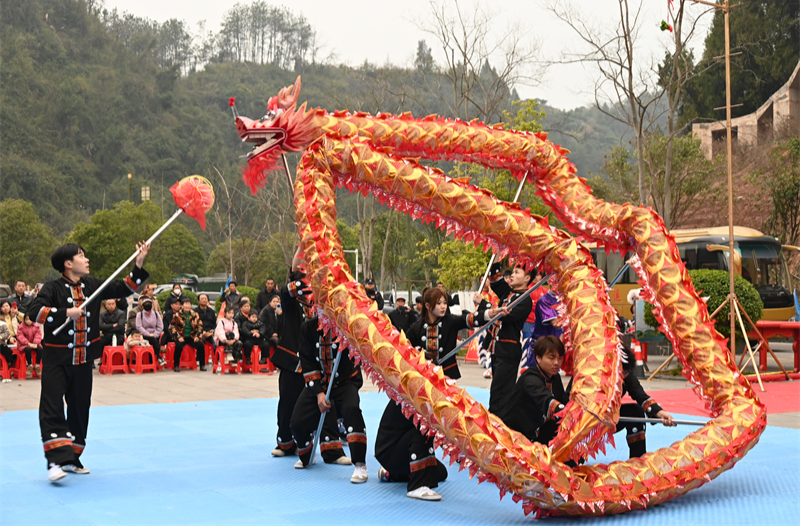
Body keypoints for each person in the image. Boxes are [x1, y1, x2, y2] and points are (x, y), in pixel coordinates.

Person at [30, 241, 149, 482]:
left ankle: (72, 458)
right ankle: (55, 461)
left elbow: (124, 288)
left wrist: (139, 262)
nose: (86, 260)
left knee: (79, 408)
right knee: (52, 408)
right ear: (68, 263)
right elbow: (34, 312)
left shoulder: (93, 285)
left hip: (83, 361)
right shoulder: (53, 288)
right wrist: (65, 313)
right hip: (56, 361)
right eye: (81, 256)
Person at [375, 287, 484, 501]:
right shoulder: (415, 330)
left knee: (441, 472)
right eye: (439, 302)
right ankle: (416, 484)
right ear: (427, 306)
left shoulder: (451, 322)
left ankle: (394, 473)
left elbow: (472, 319)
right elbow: (402, 348)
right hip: (418, 400)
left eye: (445, 302)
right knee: (425, 425)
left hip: (443, 385)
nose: (444, 306)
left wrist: (492, 312)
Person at [290, 315, 367, 482]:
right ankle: (307, 451)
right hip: (319, 382)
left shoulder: (347, 326)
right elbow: (308, 362)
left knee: (351, 410)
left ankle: (360, 464)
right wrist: (318, 393)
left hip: (344, 381)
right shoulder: (308, 328)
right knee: (297, 423)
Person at [482, 263, 534, 420]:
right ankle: (495, 423)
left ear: (527, 278)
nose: (512, 275)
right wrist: (496, 256)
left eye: (517, 272)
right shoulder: (508, 292)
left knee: (501, 395)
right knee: (496, 392)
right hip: (498, 349)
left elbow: (505, 315)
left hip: (508, 352)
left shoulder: (525, 300)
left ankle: (497, 427)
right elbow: (495, 278)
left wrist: (483, 304)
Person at [608, 346, 676, 458]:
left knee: (636, 412)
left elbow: (640, 395)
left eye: (626, 373)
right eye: (622, 373)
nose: (624, 377)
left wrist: (660, 413)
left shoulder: (626, 375)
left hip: (609, 418)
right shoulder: (590, 373)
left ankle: (637, 459)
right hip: (584, 421)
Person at [503, 336, 572, 445]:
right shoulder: (530, 378)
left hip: (539, 430)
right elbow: (547, 401)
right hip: (515, 437)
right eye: (551, 357)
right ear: (538, 358)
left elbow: (565, 401)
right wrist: (571, 413)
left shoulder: (555, 377)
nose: (556, 362)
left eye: (559, 358)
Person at [171, 299, 204, 372]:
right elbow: (171, 327)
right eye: (185, 304)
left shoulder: (195, 314)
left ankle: (202, 365)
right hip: (181, 336)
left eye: (189, 304)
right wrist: (178, 337)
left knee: (201, 345)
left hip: (192, 336)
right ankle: (176, 365)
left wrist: (197, 336)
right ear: (182, 306)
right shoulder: (177, 315)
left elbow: (200, 326)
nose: (187, 305)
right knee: (178, 346)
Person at [136, 298, 164, 366]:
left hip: (155, 334)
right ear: (142, 306)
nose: (148, 305)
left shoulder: (156, 314)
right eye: (146, 304)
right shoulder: (139, 315)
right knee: (153, 340)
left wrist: (155, 334)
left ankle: (155, 360)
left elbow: (160, 326)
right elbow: (139, 326)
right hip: (144, 335)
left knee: (154, 339)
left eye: (149, 304)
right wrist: (148, 334)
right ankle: (159, 357)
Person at [194, 294, 217, 361]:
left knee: (216, 340)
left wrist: (211, 332)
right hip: (199, 332)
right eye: (202, 299)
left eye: (205, 299)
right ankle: (199, 359)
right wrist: (201, 332)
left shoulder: (211, 311)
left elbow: (214, 324)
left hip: (210, 332)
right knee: (201, 341)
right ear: (198, 301)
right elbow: (194, 324)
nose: (204, 300)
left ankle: (217, 359)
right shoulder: (195, 311)